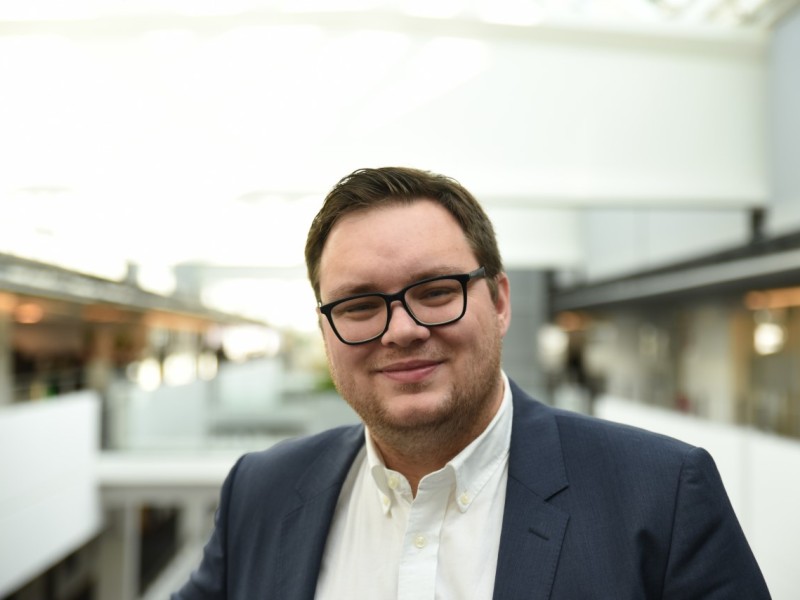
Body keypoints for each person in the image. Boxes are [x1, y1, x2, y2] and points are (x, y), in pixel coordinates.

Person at [173, 167, 770, 599]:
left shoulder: (661, 495)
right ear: (325, 331)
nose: (401, 331)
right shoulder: (261, 492)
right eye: (359, 305)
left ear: (500, 302)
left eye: (436, 292)